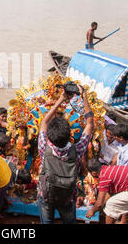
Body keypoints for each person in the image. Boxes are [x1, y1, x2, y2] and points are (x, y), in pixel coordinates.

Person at [37, 83, 94, 224]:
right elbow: (90, 124)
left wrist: (61, 99)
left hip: (46, 196)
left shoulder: (44, 146)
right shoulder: (77, 149)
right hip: (67, 197)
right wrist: (84, 95)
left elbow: (44, 122)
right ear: (70, 136)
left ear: (50, 136)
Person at [85, 158, 128, 224]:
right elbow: (108, 195)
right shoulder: (107, 169)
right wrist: (98, 208)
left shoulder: (104, 176)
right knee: (117, 202)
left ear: (94, 173)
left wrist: (92, 210)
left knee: (110, 204)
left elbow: (100, 203)